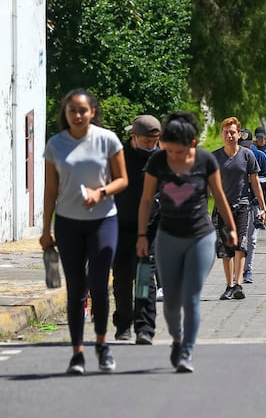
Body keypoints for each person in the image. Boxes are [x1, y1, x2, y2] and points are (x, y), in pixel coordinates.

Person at [137, 111, 238, 373]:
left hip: (200, 236)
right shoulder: (158, 162)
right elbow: (147, 200)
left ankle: (187, 352)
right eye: (169, 151)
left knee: (191, 296)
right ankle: (177, 338)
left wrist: (231, 228)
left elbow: (219, 195)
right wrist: (140, 235)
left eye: (178, 152)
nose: (174, 157)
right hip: (168, 236)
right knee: (170, 301)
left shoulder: (205, 161)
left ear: (192, 145)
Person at [40, 89, 129, 375]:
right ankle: (77, 352)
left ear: (92, 111)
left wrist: (100, 192)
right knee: (76, 289)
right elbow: (50, 190)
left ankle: (102, 345)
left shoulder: (107, 140)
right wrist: (45, 229)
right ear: (65, 114)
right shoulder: (55, 145)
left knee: (99, 286)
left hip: (103, 220)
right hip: (68, 223)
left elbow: (122, 180)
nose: (77, 115)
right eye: (72, 111)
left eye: (83, 110)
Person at [112, 115, 161, 345]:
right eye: (147, 141)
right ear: (134, 137)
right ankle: (123, 324)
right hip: (120, 226)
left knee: (144, 277)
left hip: (149, 228)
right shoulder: (118, 156)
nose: (151, 146)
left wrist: (159, 202)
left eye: (155, 141)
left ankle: (145, 328)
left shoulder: (160, 158)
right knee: (122, 278)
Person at [212, 118, 266, 301]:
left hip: (242, 205)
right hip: (222, 208)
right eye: (226, 132)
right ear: (222, 134)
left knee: (241, 245)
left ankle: (238, 284)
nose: (230, 135)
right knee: (226, 249)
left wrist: (262, 204)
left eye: (233, 132)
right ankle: (229, 285)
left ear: (238, 134)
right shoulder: (215, 157)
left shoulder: (247, 155)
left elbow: (255, 182)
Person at [239, 128, 266, 285]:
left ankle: (247, 270)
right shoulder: (234, 156)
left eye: (246, 144)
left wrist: (255, 181)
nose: (244, 148)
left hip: (254, 202)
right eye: (241, 144)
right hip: (238, 202)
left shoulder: (259, 155)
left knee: (251, 239)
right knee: (238, 239)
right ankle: (236, 270)